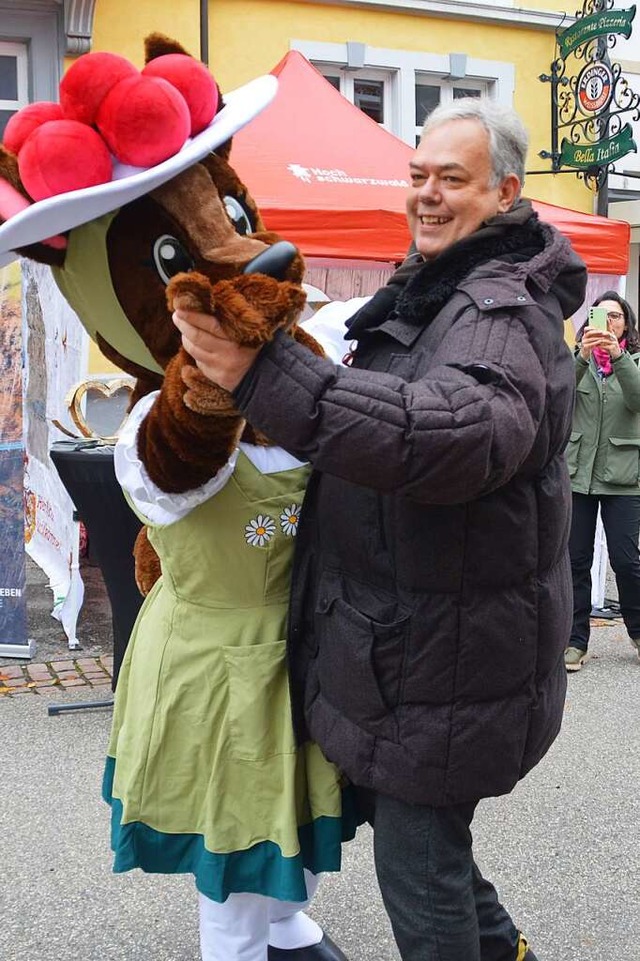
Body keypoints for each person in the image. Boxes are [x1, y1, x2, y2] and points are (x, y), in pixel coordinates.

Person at [172, 98, 588, 961]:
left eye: (453, 180)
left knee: (421, 871)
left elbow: (458, 433)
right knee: (435, 854)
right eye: (418, 176)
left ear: (506, 193)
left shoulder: (501, 311)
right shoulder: (439, 286)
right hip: (427, 654)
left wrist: (271, 376)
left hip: (450, 663)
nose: (427, 196)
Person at [564, 291, 640, 672]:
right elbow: (557, 396)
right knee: (574, 562)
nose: (609, 323)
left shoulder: (635, 361)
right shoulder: (574, 361)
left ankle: (638, 632)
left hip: (624, 476)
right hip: (578, 475)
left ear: (626, 324)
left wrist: (620, 357)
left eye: (616, 316)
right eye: (602, 315)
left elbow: (638, 400)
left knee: (626, 562)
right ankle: (575, 642)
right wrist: (580, 357)